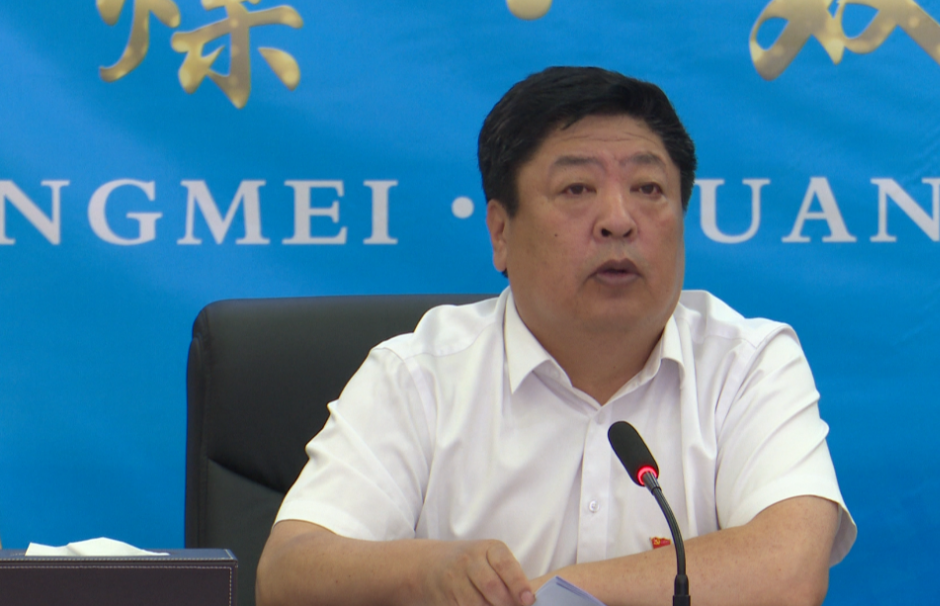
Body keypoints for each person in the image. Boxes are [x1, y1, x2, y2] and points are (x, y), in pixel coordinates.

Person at [256, 66, 856, 606]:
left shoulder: (747, 364)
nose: (618, 220)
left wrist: (541, 596)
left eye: (649, 189)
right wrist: (427, 571)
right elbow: (286, 573)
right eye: (577, 190)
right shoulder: (420, 375)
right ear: (501, 233)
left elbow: (788, 572)